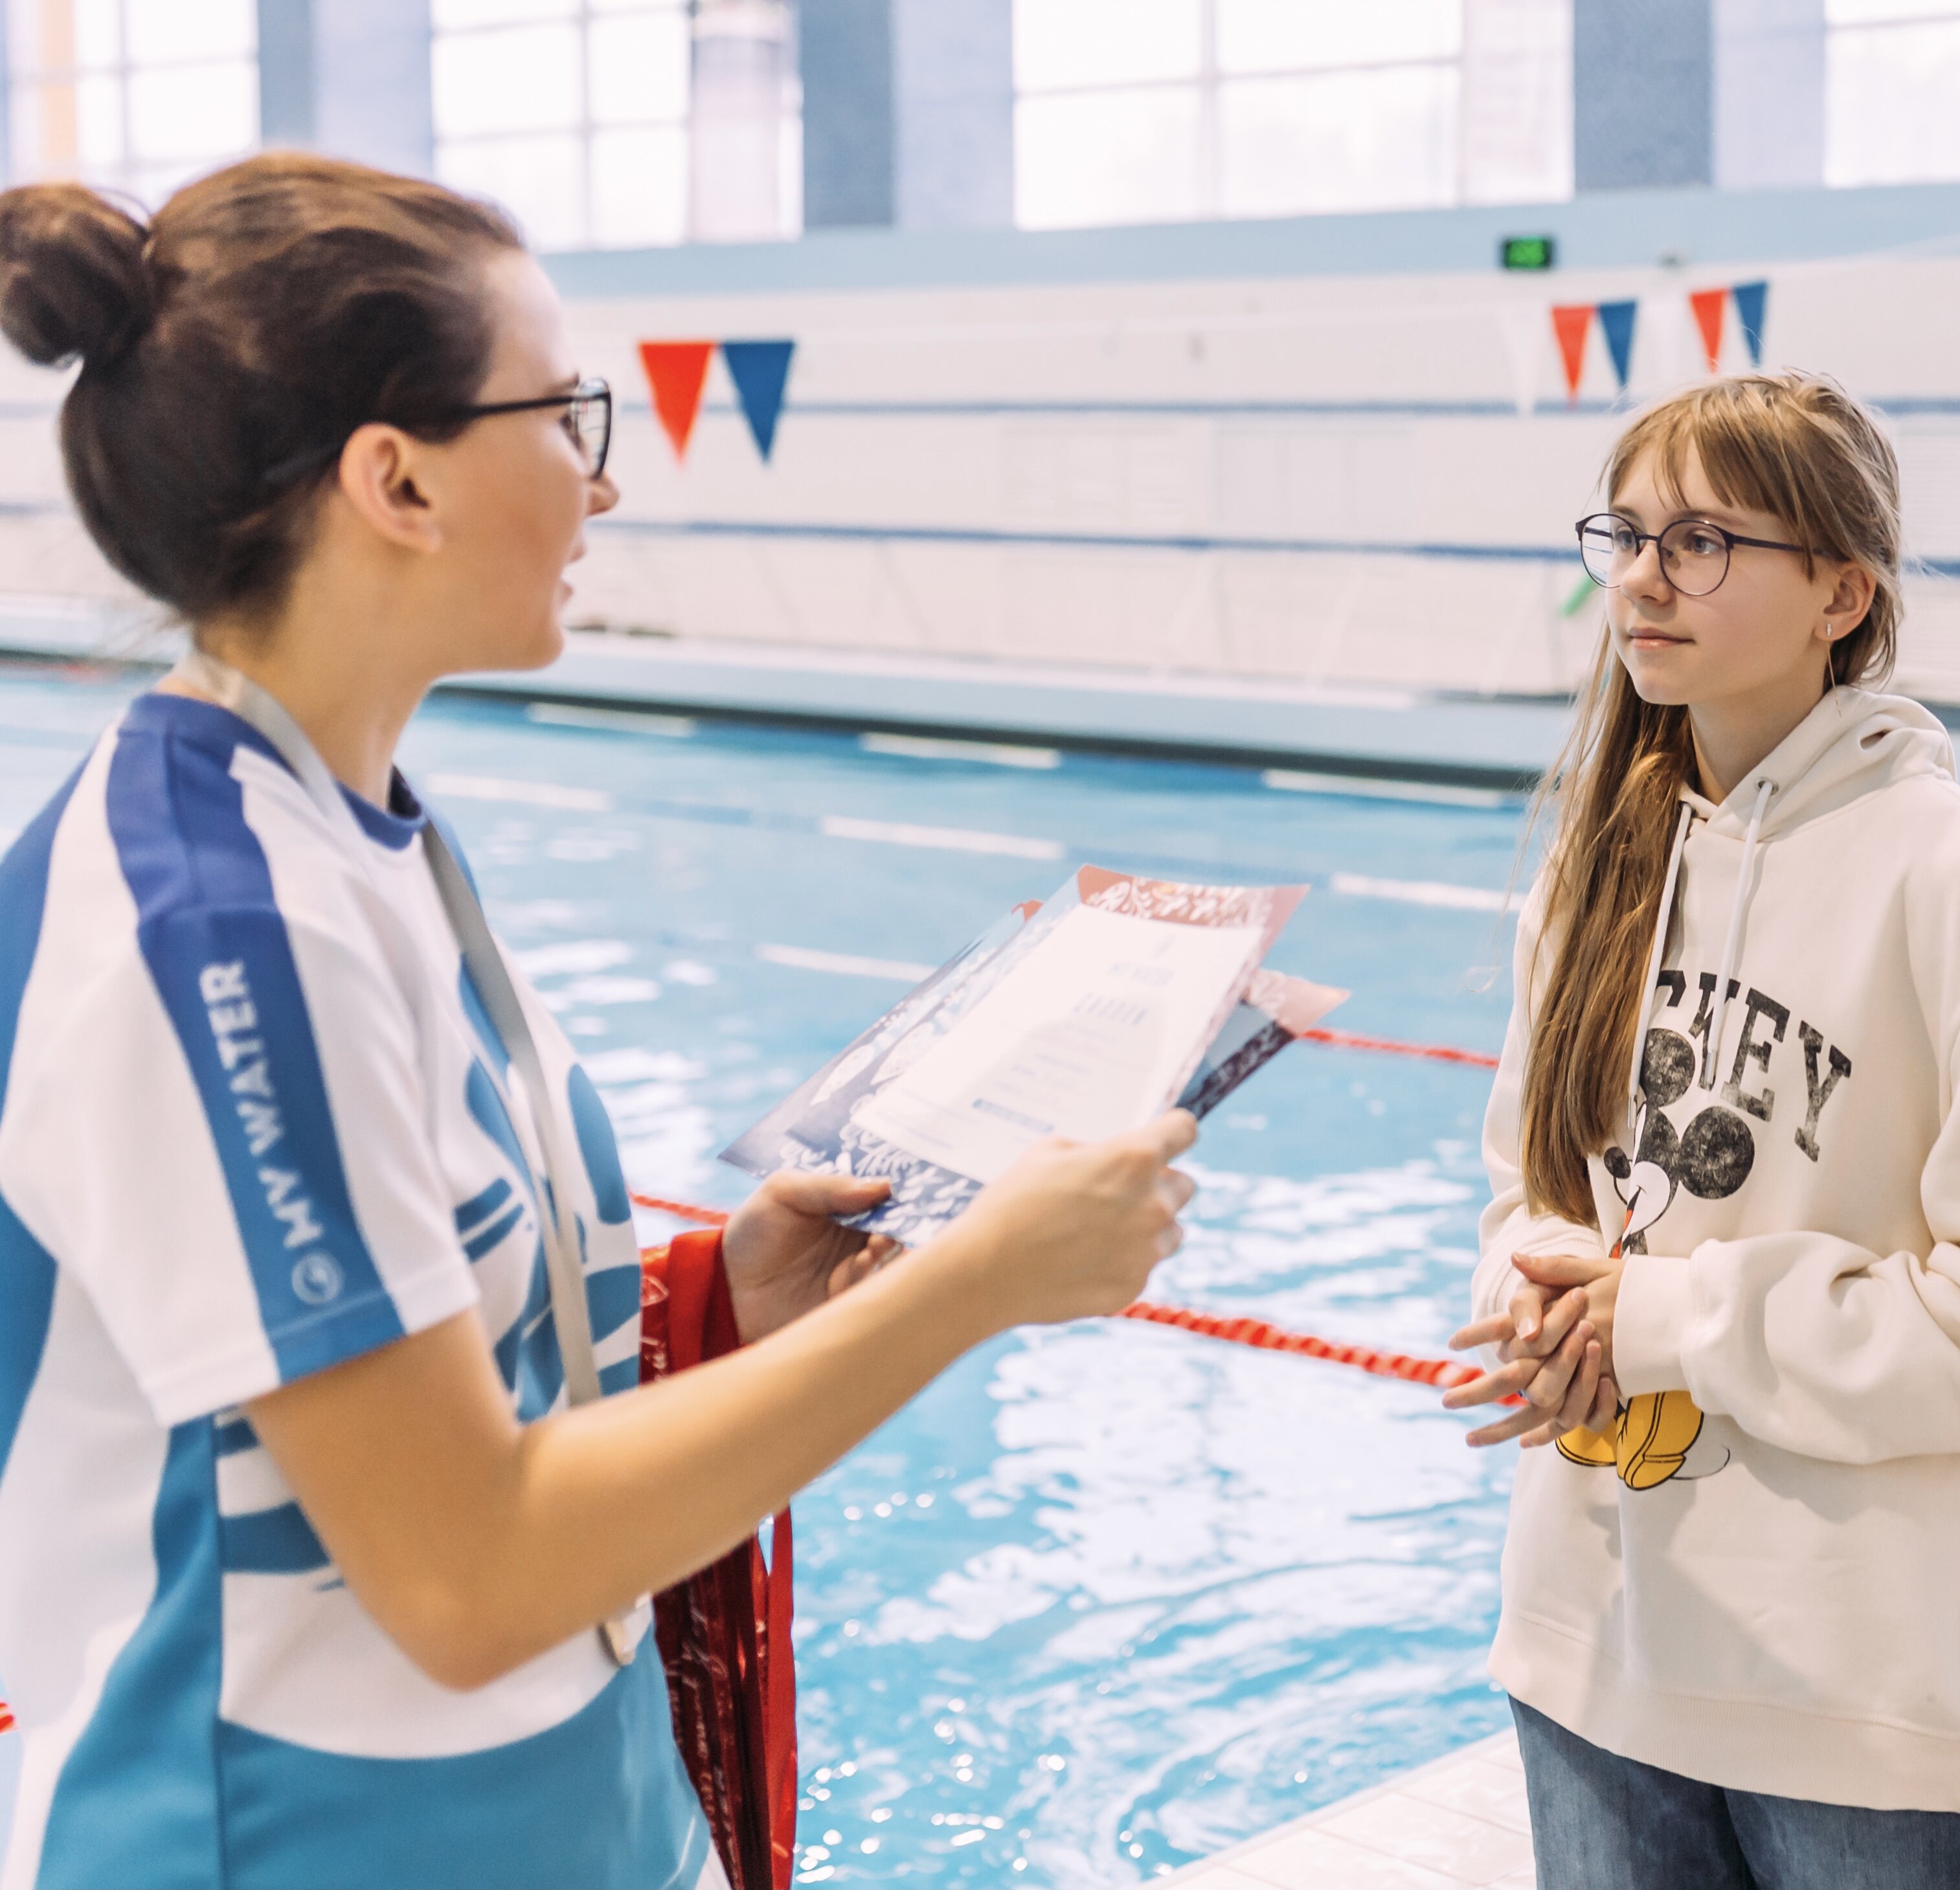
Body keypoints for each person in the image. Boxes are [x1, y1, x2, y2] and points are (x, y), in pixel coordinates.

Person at [0, 155, 1197, 1889]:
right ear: (395, 480)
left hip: (558, 1826)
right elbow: (463, 1576)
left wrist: (719, 1307)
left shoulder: (356, 833)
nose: (605, 480)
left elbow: (394, 1363)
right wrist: (973, 1286)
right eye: (567, 415)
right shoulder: (218, 931)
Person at [1444, 371, 1960, 1889]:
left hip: (1851, 1696)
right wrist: (1544, 1300)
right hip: (1592, 1652)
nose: (1638, 576)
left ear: (1841, 589)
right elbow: (1532, 1188)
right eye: (1625, 533)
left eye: (1699, 540)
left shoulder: (1941, 871)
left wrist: (1669, 1315)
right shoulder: (1599, 856)